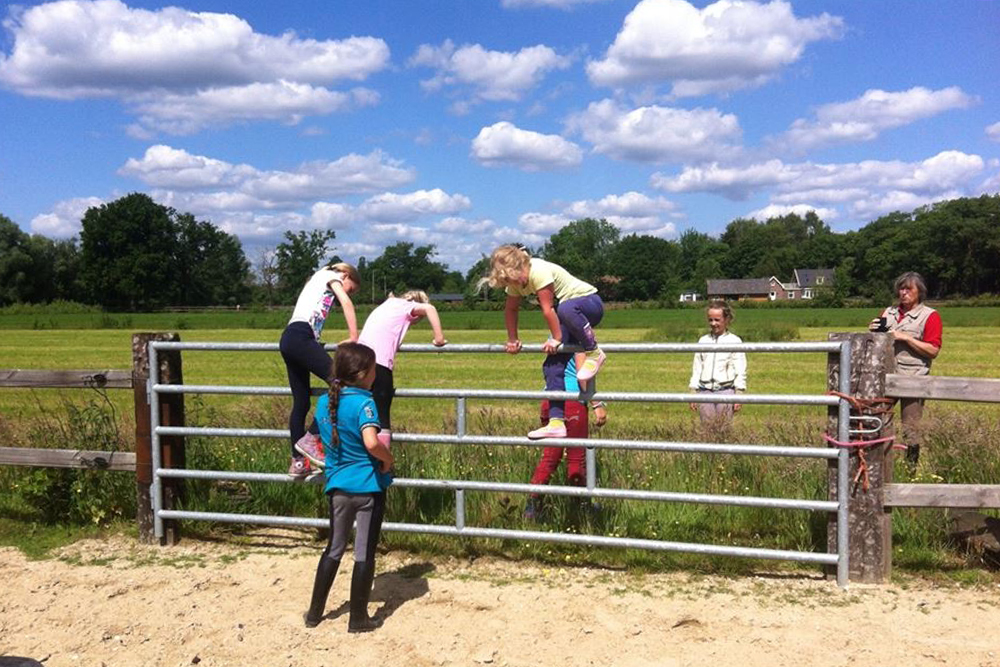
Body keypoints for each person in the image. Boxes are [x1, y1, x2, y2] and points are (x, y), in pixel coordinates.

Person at [304, 342, 393, 633]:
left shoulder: (323, 403)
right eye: (373, 369)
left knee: (334, 548)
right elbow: (370, 442)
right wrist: (388, 460)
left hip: (337, 487)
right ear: (363, 373)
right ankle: (358, 618)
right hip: (367, 487)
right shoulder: (365, 403)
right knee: (364, 552)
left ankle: (314, 614)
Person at [484, 244, 607, 440]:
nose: (513, 284)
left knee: (565, 308)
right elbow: (511, 310)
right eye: (506, 281)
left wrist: (556, 338)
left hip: (589, 304)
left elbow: (548, 309)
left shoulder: (538, 270)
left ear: (519, 267)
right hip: (568, 316)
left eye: (512, 278)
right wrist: (513, 339)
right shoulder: (515, 283)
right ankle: (556, 422)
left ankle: (594, 351)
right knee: (552, 365)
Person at [280, 262, 360, 478]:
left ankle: (298, 463)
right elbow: (346, 302)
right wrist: (354, 337)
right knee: (342, 383)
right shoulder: (331, 275)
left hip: (289, 338)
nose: (346, 292)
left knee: (302, 401)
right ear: (345, 274)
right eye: (350, 287)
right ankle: (311, 437)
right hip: (300, 336)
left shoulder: (317, 280)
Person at [357, 290, 448, 451]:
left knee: (361, 409)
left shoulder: (386, 306)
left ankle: (359, 454)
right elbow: (430, 309)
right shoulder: (406, 306)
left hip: (358, 359)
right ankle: (382, 462)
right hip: (379, 362)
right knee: (382, 415)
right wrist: (439, 338)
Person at [868, 271, 942, 465]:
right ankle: (881, 467)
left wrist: (906, 337)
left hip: (913, 378)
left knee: (911, 429)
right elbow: (877, 342)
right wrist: (872, 331)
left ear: (920, 292)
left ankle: (911, 472)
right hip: (885, 376)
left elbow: (933, 350)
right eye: (901, 288)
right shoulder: (888, 312)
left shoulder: (930, 316)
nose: (903, 293)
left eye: (909, 289)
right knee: (879, 422)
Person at [524, 356, 607, 520]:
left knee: (550, 456)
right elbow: (582, 373)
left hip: (550, 401)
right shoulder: (581, 335)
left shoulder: (556, 334)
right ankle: (581, 506)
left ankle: (532, 506)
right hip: (572, 401)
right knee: (576, 457)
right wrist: (597, 404)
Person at [689, 300, 747, 430]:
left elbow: (740, 370)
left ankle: (724, 450)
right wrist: (693, 391)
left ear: (726, 319)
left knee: (723, 429)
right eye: (710, 320)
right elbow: (697, 368)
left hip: (726, 390)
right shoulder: (703, 341)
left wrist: (739, 394)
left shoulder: (735, 341)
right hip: (705, 391)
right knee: (707, 428)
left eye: (717, 320)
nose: (713, 323)